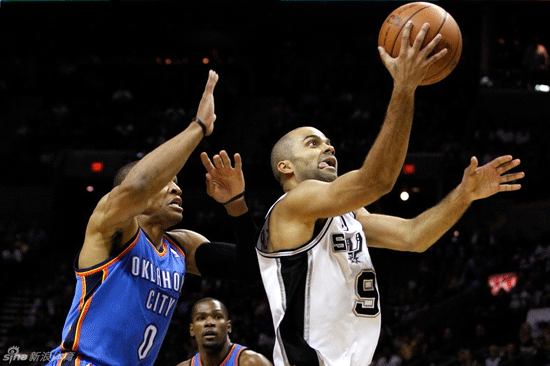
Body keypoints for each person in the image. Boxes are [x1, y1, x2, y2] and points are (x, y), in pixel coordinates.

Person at [255, 24, 525, 366]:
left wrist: (464, 193)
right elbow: (377, 181)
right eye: (313, 143)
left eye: (327, 142)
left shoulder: (350, 215)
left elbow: (414, 237)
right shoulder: (294, 204)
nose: (328, 147)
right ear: (285, 167)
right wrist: (404, 88)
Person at [47, 70, 256, 366]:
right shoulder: (112, 227)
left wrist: (236, 205)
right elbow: (138, 185)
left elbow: (251, 267)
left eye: (178, 181)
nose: (177, 187)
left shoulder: (181, 247)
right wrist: (198, 128)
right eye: (167, 181)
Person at [177, 298, 273, 366]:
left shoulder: (253, 362)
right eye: (201, 318)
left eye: (217, 317)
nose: (209, 323)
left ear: (228, 326)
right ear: (192, 330)